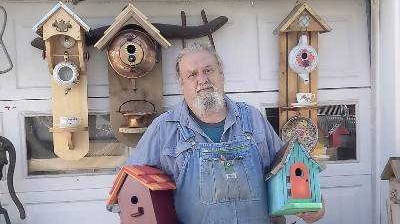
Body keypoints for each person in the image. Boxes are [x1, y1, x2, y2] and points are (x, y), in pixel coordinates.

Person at [126, 42, 324, 224]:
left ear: (221, 74)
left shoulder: (252, 118)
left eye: (208, 70)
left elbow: (286, 171)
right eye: (192, 75)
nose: (202, 80)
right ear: (181, 83)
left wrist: (311, 203)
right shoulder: (164, 129)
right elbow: (129, 193)